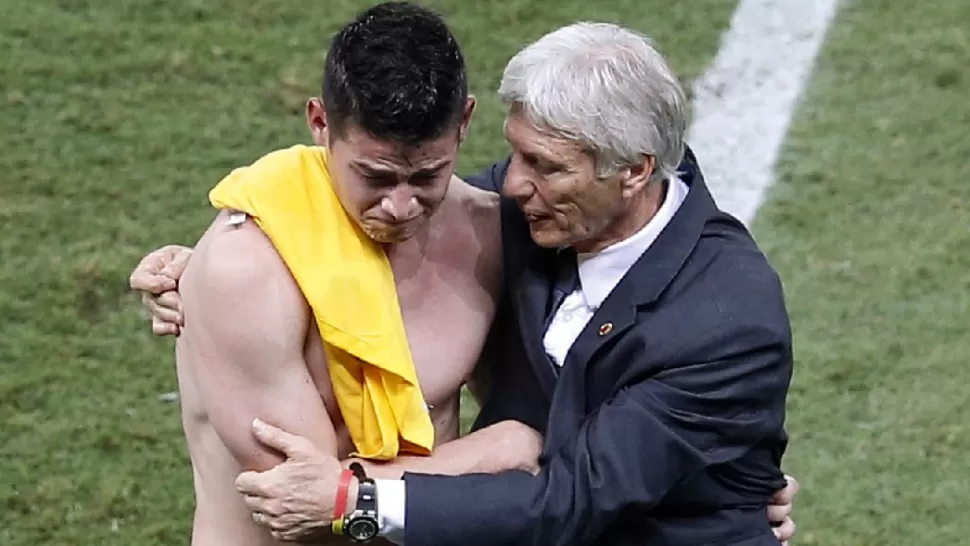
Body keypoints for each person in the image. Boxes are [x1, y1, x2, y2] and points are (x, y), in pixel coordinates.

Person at [130, 10, 800, 546]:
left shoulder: (726, 318)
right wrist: (199, 271)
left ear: (631, 172)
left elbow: (567, 498)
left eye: (546, 166)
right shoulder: (519, 217)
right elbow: (292, 509)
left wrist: (721, 485)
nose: (511, 185)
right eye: (515, 155)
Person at [143, 3, 557, 545]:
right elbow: (302, 506)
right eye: (375, 176)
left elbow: (534, 413)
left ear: (465, 124)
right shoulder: (245, 270)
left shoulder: (485, 234)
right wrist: (500, 451)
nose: (401, 205)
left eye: (428, 174)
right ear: (320, 124)